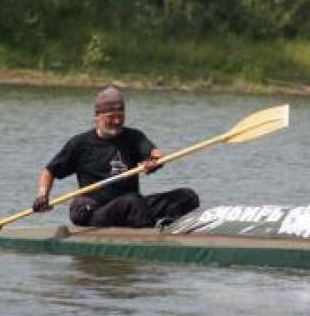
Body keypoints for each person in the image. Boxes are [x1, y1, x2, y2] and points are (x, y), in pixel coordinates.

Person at [32, 86, 199, 228]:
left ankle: (153, 223)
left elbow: (156, 154)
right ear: (97, 116)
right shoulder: (80, 143)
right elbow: (49, 171)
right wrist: (42, 195)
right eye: (111, 117)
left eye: (121, 116)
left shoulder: (134, 137)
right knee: (132, 202)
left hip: (132, 206)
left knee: (187, 196)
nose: (118, 122)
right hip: (94, 211)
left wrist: (154, 163)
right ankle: (151, 232)